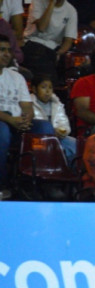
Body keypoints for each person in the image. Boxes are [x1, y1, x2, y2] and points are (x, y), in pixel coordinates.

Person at [0, 34, 32, 198]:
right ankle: (2, 184)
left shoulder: (16, 77)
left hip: (18, 123)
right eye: (1, 50)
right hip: (4, 124)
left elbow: (27, 105)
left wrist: (26, 119)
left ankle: (36, 182)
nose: (6, 54)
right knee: (2, 131)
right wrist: (11, 120)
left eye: (8, 50)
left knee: (45, 127)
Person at [22, 0, 78, 86]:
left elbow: (68, 41)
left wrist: (58, 53)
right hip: (33, 42)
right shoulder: (38, 2)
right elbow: (42, 27)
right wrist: (51, 4)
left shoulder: (71, 10)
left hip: (53, 49)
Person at [30, 74, 77, 165]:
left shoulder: (57, 104)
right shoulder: (29, 103)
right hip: (39, 139)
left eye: (50, 88)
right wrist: (52, 131)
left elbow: (63, 122)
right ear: (34, 89)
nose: (47, 91)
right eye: (43, 87)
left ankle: (72, 171)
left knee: (76, 144)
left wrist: (62, 131)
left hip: (57, 137)